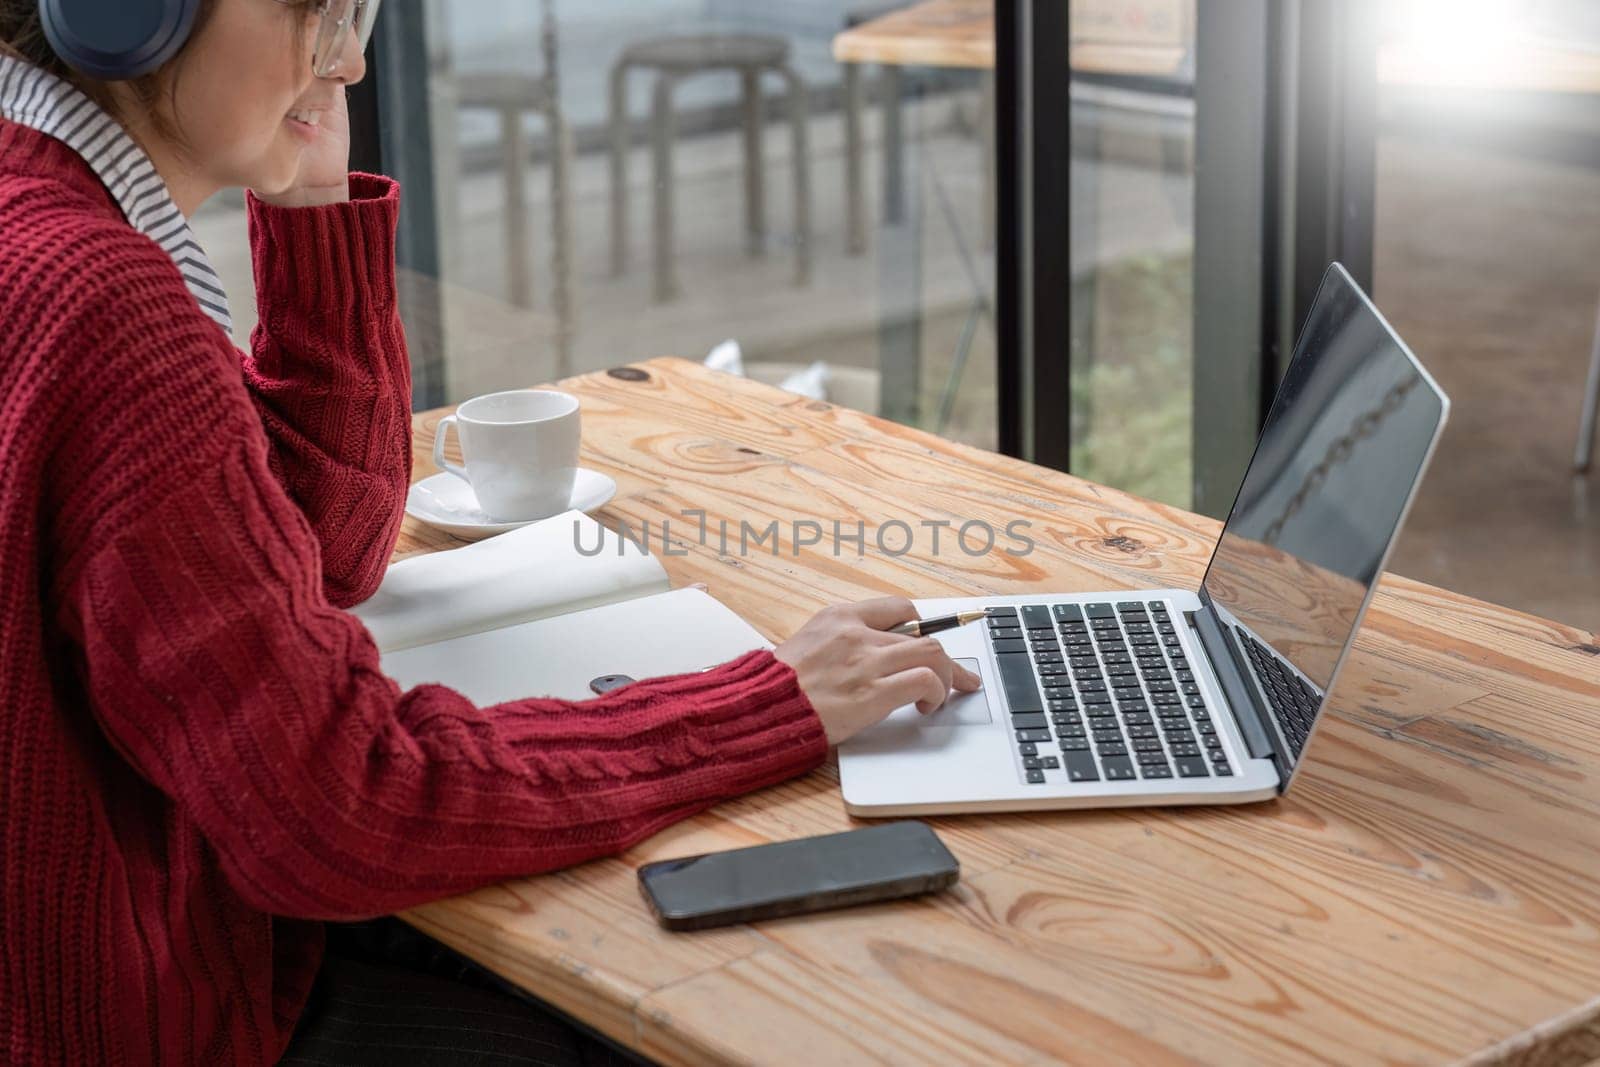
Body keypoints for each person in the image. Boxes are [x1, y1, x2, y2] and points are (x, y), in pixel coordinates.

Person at [0, 1, 982, 1063]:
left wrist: (317, 196)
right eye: (315, 7)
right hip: (136, 1013)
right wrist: (769, 702)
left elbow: (321, 550)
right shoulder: (102, 301)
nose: (354, 57)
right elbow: (342, 807)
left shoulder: (40, 220)